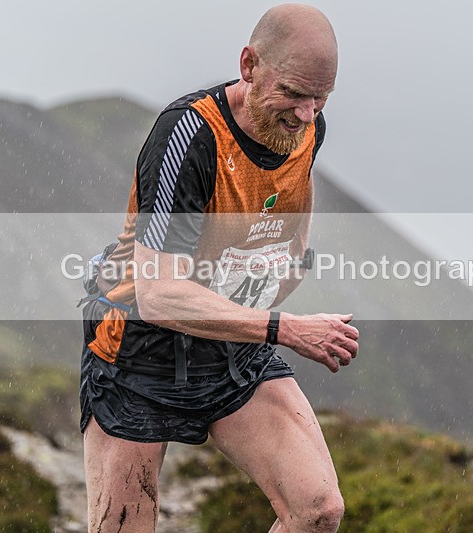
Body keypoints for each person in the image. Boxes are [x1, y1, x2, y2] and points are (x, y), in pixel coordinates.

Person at [79, 4, 359, 532]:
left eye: (321, 98)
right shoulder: (189, 138)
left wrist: (290, 260)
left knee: (317, 511)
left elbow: (294, 213)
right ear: (249, 66)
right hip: (138, 347)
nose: (307, 113)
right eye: (295, 94)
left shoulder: (306, 127)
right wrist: (287, 328)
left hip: (232, 335)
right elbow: (160, 296)